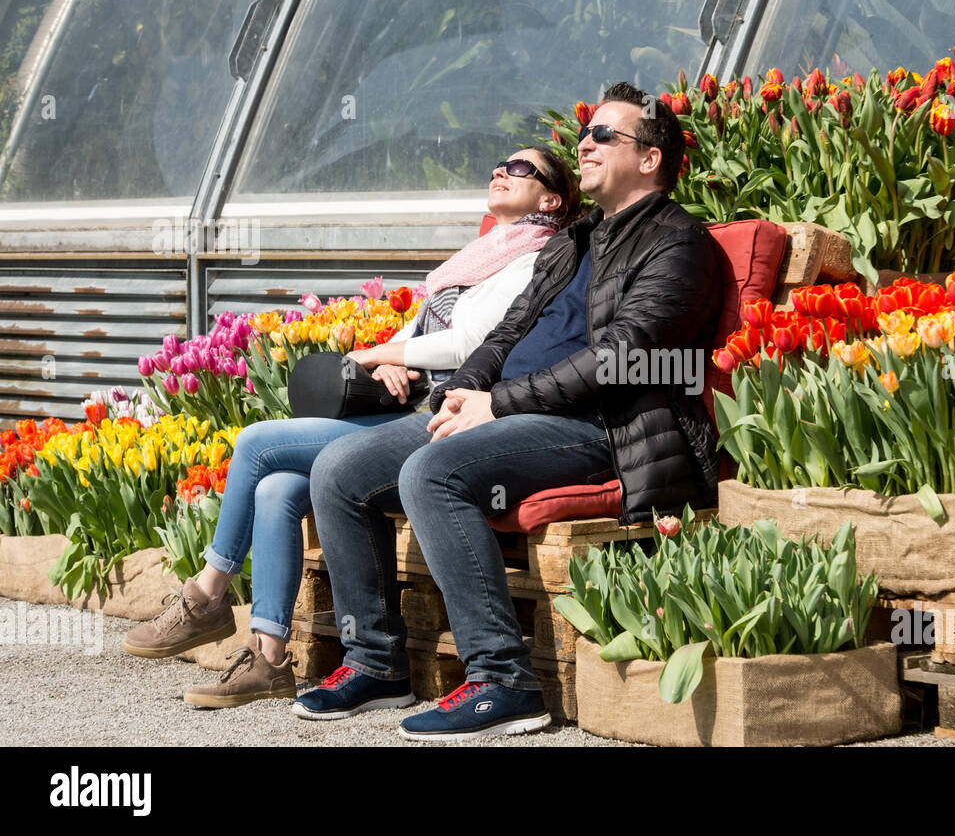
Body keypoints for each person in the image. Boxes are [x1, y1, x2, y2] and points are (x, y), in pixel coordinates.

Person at [296, 82, 722, 739]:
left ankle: (504, 679)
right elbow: (506, 332)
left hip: (598, 427)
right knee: (338, 468)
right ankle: (375, 661)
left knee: (431, 472)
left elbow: (622, 359)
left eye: (603, 135)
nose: (584, 142)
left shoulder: (678, 243)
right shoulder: (574, 240)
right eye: (585, 133)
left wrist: (500, 403)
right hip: (500, 415)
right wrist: (462, 392)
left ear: (650, 158)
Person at [120, 147, 582, 709]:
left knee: (255, 443)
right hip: (409, 398)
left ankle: (207, 595)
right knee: (275, 489)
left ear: (551, 198)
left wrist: (372, 353)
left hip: (442, 413)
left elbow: (472, 342)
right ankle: (268, 659)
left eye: (518, 169)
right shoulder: (484, 251)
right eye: (499, 164)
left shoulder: (536, 257)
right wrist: (393, 360)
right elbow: (426, 327)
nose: (499, 171)